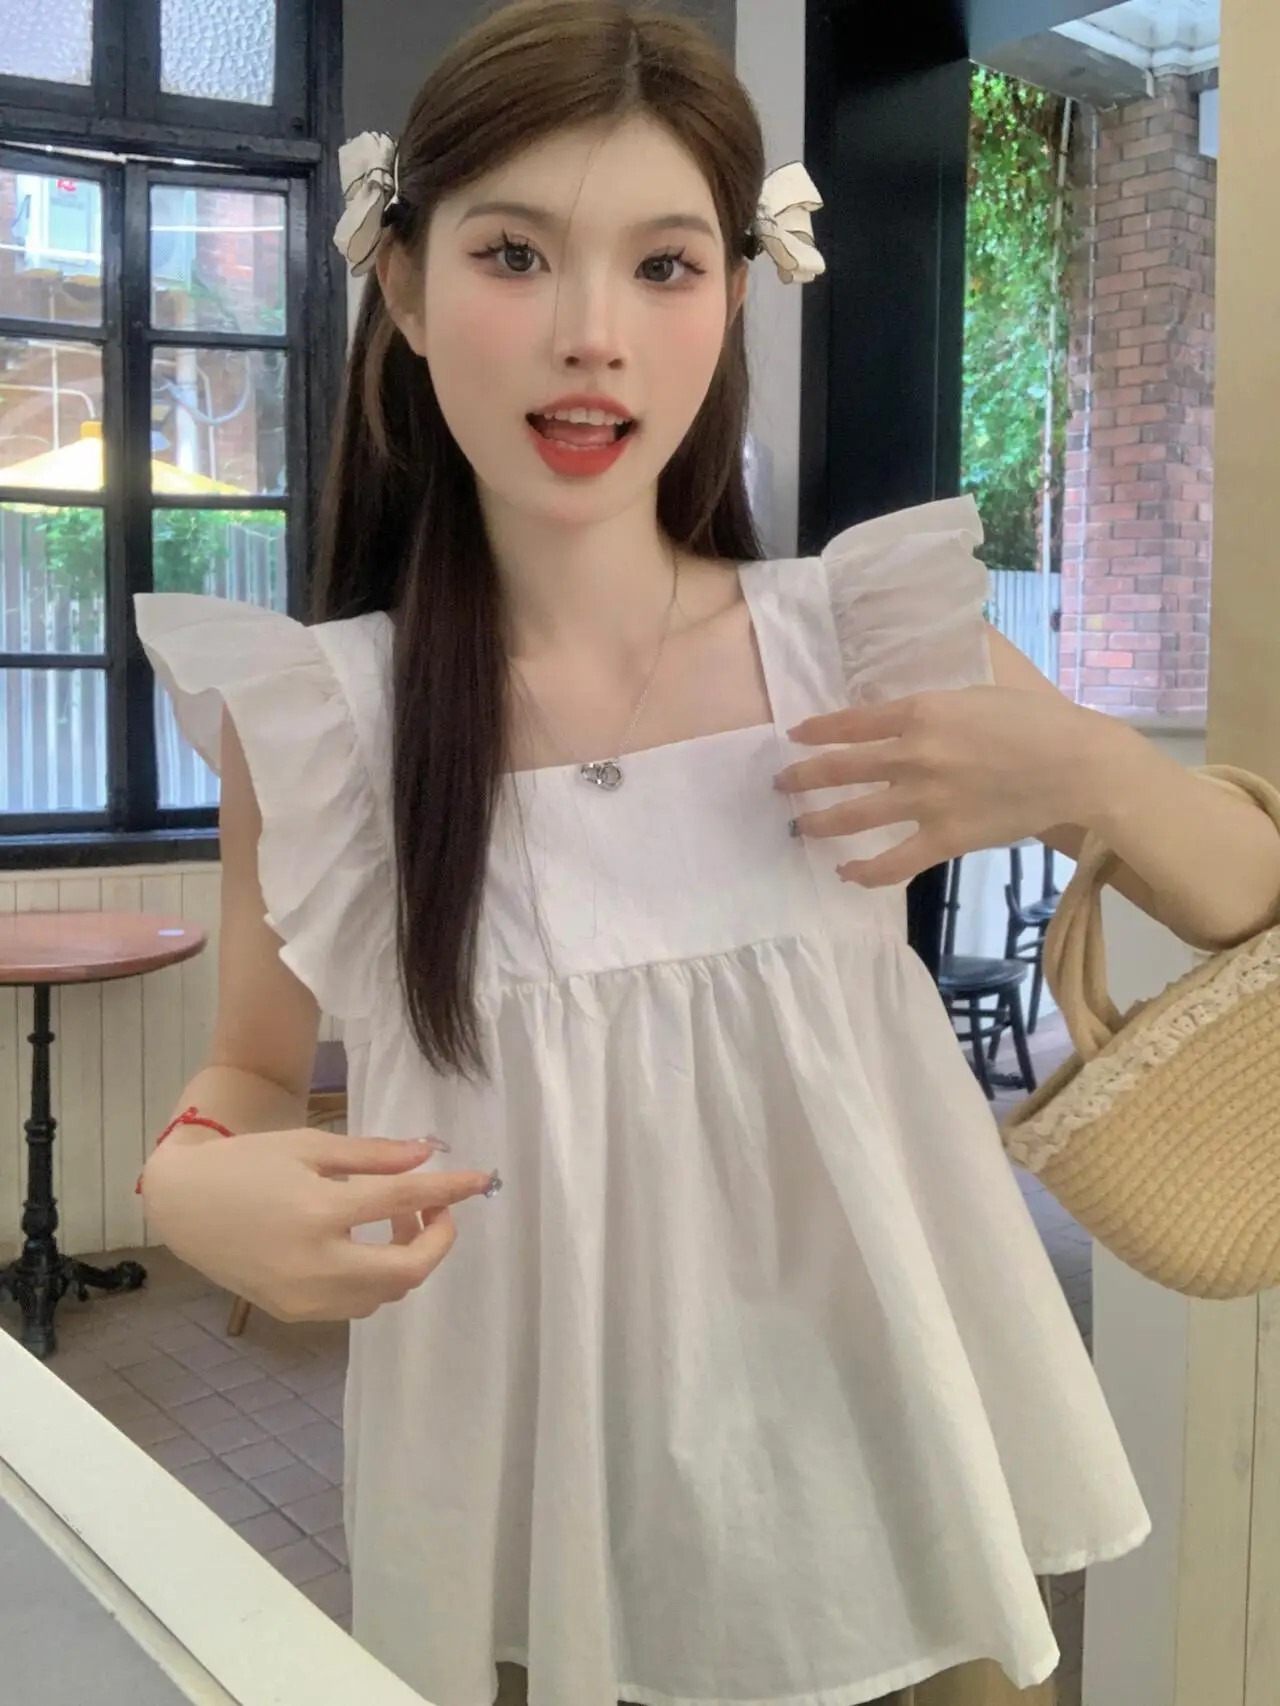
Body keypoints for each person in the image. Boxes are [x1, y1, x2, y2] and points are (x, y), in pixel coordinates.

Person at [134, 3, 1280, 1705]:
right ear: (405, 285)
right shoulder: (323, 720)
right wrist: (187, 1183)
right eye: (515, 254)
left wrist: (1092, 767)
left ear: (734, 294)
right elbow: (245, 1065)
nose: (592, 337)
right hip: (528, 1529)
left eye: (665, 265)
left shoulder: (861, 640)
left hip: (886, 1492)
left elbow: (1245, 894)